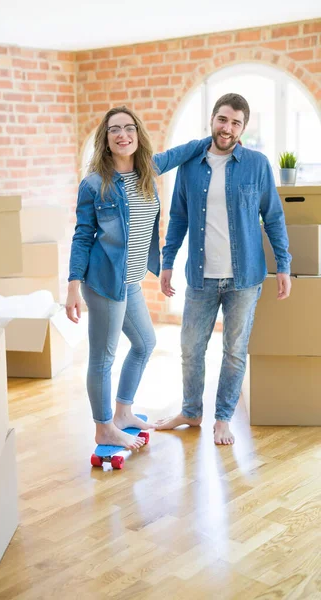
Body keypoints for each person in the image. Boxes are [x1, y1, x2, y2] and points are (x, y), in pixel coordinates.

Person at [66, 105, 210, 450]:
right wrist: (72, 286)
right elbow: (82, 236)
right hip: (103, 282)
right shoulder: (94, 185)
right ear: (105, 139)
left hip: (130, 281)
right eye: (114, 129)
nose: (122, 135)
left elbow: (183, 151)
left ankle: (123, 413)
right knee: (103, 357)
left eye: (128, 128)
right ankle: (103, 428)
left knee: (145, 343)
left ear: (137, 134)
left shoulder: (149, 170)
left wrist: (220, 134)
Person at [156, 93, 292, 445]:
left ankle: (222, 418)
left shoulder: (256, 164)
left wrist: (283, 265)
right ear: (212, 120)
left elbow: (273, 217)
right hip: (201, 277)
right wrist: (167, 261)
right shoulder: (190, 165)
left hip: (245, 278)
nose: (227, 128)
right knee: (190, 348)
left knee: (233, 350)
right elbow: (178, 218)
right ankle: (191, 410)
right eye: (222, 119)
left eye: (235, 122)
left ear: (243, 127)